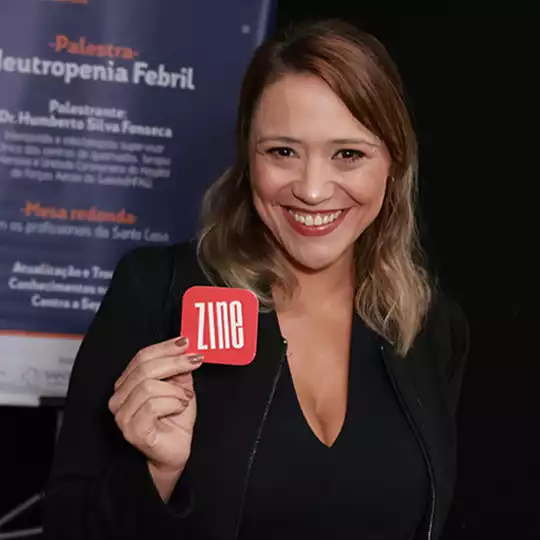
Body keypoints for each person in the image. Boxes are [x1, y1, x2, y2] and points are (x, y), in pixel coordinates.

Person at [43, 18, 469, 540]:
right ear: (249, 157)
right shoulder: (154, 292)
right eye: (283, 151)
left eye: (349, 154)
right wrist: (156, 474)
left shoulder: (430, 326)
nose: (313, 190)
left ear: (394, 163)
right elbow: (67, 526)